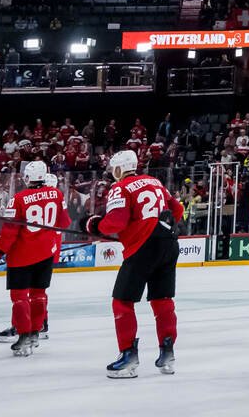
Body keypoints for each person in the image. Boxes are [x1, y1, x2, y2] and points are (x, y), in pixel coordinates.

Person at [95, 148, 181, 378]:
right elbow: (178, 210)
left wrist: (95, 226)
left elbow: (115, 222)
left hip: (143, 246)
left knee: (122, 302)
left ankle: (128, 357)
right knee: (163, 300)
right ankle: (168, 355)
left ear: (120, 169)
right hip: (169, 242)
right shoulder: (155, 182)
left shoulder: (120, 187)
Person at [0, 160, 66, 357]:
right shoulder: (56, 194)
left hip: (22, 256)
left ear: (27, 177)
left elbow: (10, 232)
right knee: (39, 295)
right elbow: (63, 221)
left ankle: (23, 335)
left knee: (20, 297)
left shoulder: (18, 198)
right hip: (46, 253)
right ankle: (35, 332)